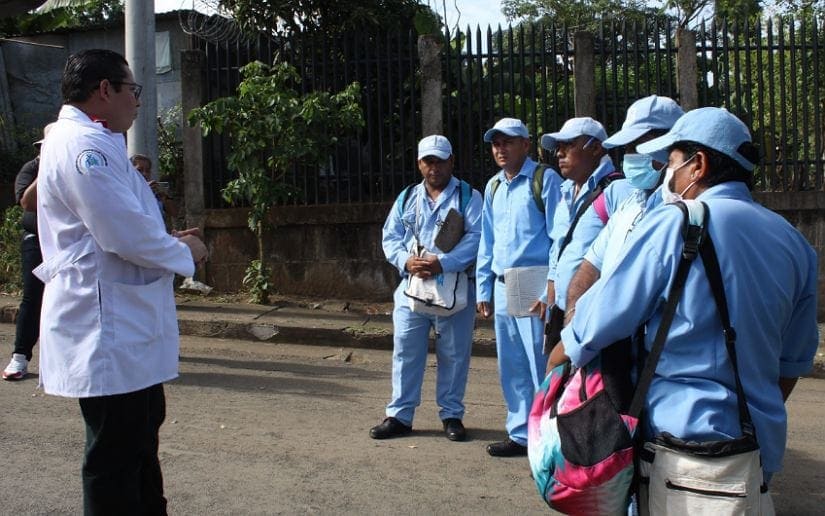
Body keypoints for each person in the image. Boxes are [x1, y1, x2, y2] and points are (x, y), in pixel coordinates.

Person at [553, 107, 818, 500]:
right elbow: (791, 365)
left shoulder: (677, 222)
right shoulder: (795, 243)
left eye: (672, 162)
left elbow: (604, 317)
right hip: (755, 451)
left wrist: (559, 352)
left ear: (699, 165)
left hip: (681, 448)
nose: (665, 174)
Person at [34, 49, 208, 514]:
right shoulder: (82, 148)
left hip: (124, 327)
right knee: (115, 454)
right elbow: (120, 233)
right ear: (105, 90)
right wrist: (184, 252)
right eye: (133, 89)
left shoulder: (97, 141)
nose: (137, 100)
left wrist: (166, 240)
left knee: (141, 437)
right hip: (105, 329)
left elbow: (125, 225)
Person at [370, 135, 482, 442]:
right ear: (420, 164)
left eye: (440, 160)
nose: (434, 167)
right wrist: (406, 261)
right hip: (412, 288)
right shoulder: (407, 197)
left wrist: (443, 262)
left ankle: (451, 415)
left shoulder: (469, 197)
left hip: (455, 287)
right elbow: (390, 236)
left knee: (455, 354)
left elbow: (477, 237)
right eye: (428, 161)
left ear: (452, 161)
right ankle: (400, 415)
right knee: (406, 351)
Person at [476, 118, 563, 457]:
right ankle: (520, 434)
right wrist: (483, 286)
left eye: (508, 141)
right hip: (502, 282)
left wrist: (549, 288)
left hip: (532, 280)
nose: (500, 148)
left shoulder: (544, 180)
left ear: (526, 144)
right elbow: (488, 240)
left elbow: (559, 236)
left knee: (539, 364)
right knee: (510, 365)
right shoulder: (494, 186)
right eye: (496, 142)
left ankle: (548, 435)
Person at [562, 96, 684, 332]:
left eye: (637, 146)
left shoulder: (682, 208)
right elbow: (589, 267)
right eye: (627, 148)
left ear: (669, 144)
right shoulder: (630, 203)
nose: (629, 155)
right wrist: (573, 323)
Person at [542, 116, 631, 354]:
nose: (559, 153)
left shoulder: (616, 191)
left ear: (595, 147)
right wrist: (551, 288)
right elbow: (558, 244)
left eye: (568, 145)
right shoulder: (565, 191)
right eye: (557, 148)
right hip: (562, 310)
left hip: (592, 317)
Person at [2, 123, 53, 381]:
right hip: (37, 243)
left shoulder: (72, 170)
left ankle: (62, 359)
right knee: (33, 299)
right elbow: (26, 201)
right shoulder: (32, 169)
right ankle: (19, 357)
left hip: (68, 245)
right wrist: (45, 169)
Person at [130, 153, 177, 221]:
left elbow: (174, 213)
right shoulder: (126, 190)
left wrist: (165, 197)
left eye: (147, 171)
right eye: (139, 170)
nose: (144, 174)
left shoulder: (154, 192)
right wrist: (144, 192)